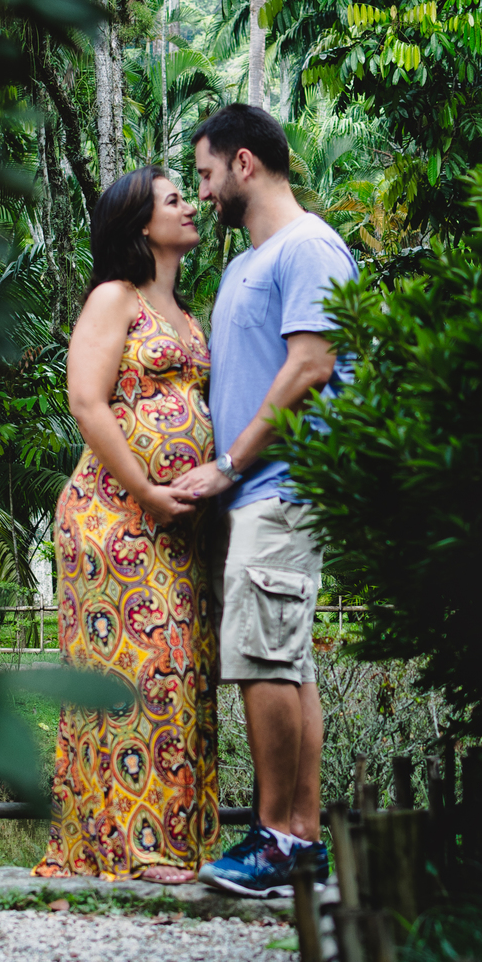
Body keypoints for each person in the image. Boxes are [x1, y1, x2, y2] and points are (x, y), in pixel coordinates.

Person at [174, 105, 358, 898]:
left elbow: (311, 365)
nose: (202, 192)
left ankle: (278, 839)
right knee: (284, 660)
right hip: (255, 493)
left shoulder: (308, 246)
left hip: (282, 485)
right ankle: (300, 842)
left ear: (244, 163)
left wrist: (229, 464)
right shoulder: (242, 265)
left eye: (206, 174)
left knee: (262, 659)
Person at [34, 166, 220, 882]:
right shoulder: (115, 297)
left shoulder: (186, 313)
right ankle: (138, 849)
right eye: (174, 199)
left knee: (183, 669)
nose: (190, 205)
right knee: (141, 674)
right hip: (113, 518)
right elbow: (87, 401)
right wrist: (147, 490)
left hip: (179, 528)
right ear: (142, 223)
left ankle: (173, 841)